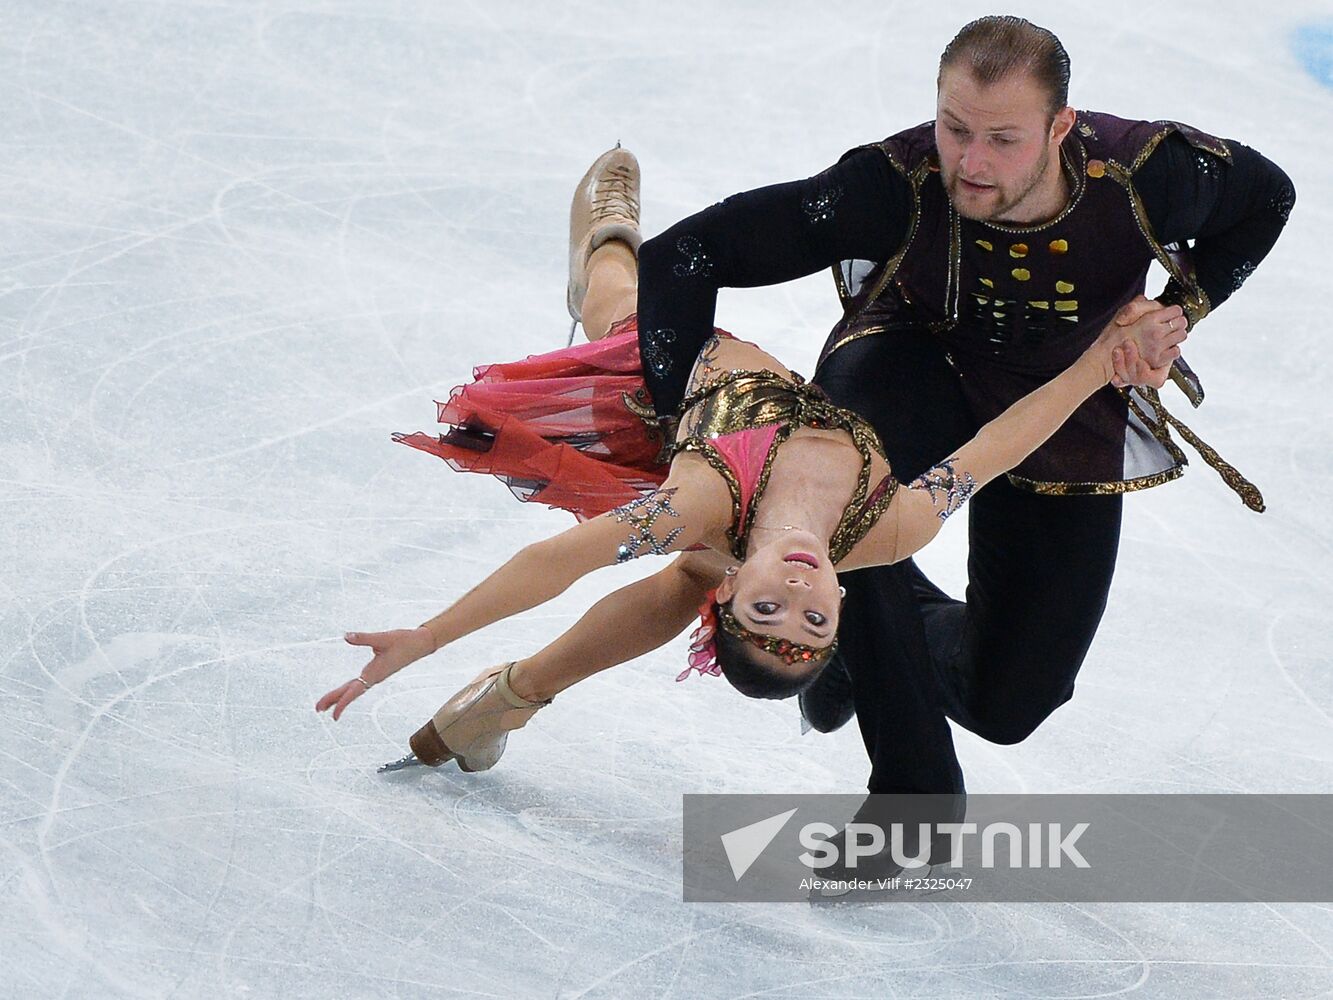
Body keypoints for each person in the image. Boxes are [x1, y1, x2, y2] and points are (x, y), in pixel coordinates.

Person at [315, 144, 1182, 787]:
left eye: (771, 606)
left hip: (654, 389)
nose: (799, 596)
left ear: (738, 597)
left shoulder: (693, 502)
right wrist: (1102, 359)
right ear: (843, 607)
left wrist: (425, 636)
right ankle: (504, 700)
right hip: (735, 503)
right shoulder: (889, 527)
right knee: (683, 569)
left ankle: (606, 240)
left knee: (617, 305)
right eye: (814, 621)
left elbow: (559, 561)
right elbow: (998, 445)